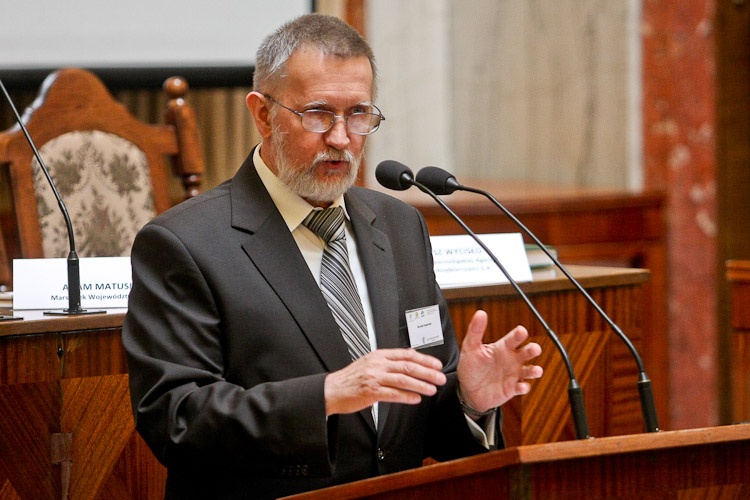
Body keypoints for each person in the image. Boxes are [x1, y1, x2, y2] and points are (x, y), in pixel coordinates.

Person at [122, 13, 543, 499]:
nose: (341, 138)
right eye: (318, 114)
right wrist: (324, 396)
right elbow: (175, 420)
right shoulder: (185, 243)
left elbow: (414, 418)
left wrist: (469, 400)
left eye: (359, 114)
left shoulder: (399, 226)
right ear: (262, 115)